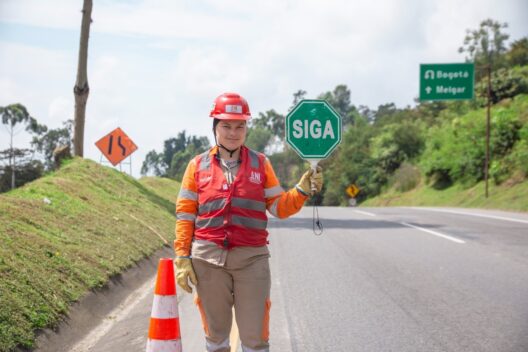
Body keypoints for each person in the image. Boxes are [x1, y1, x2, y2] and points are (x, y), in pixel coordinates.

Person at [174, 92, 323, 352]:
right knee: (216, 336)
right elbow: (186, 215)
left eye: (240, 126)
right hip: (208, 260)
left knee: (255, 339)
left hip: (252, 260)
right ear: (215, 127)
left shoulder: (261, 164)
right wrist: (182, 257)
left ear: (246, 128)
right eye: (227, 126)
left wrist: (301, 190)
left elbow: (279, 207)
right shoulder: (196, 166)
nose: (234, 132)